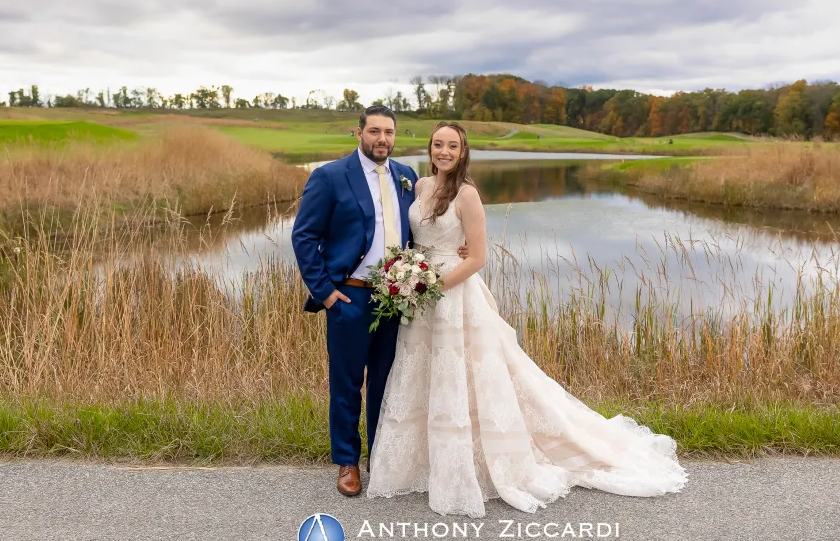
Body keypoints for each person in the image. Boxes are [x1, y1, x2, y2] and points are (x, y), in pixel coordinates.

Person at [366, 122, 688, 517]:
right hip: (421, 294)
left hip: (452, 296)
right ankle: (427, 461)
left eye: (453, 146)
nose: (444, 152)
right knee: (425, 373)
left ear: (463, 152)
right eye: (438, 144)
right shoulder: (419, 187)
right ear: (429, 148)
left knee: (465, 374)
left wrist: (429, 288)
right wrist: (408, 275)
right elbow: (419, 239)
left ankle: (479, 461)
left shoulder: (467, 194)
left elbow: (478, 257)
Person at [291, 105, 466, 497]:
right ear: (359, 133)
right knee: (347, 384)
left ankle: (381, 457)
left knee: (389, 384)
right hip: (349, 296)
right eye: (374, 132)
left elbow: (429, 223)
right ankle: (347, 462)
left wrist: (460, 245)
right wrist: (326, 293)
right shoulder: (330, 177)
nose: (382, 139)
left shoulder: (407, 178)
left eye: (388, 132)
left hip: (397, 299)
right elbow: (304, 237)